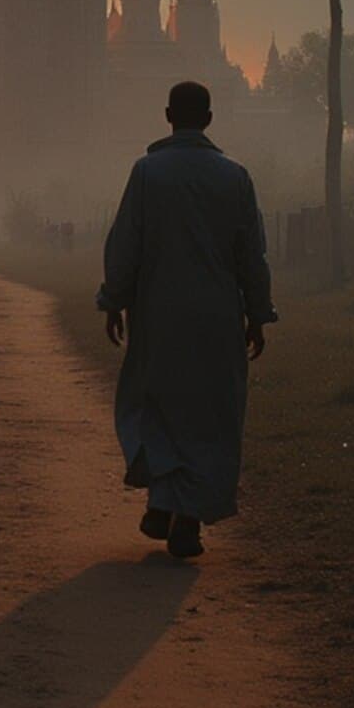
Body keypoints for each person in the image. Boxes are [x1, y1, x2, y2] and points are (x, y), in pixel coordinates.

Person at [97, 80, 276, 560]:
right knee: (209, 416)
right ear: (210, 119)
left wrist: (113, 298)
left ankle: (163, 501)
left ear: (167, 116)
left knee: (157, 405)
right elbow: (251, 256)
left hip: (158, 314)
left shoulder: (147, 173)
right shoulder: (234, 177)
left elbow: (124, 246)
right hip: (217, 315)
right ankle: (185, 519)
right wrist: (258, 313)